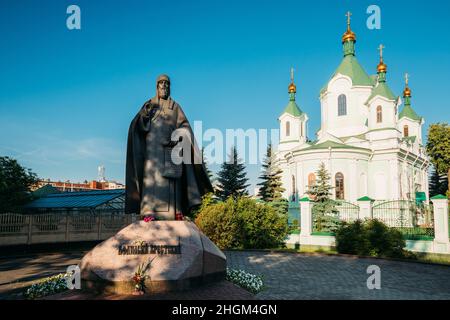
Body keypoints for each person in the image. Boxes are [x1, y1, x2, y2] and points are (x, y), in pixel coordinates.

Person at [125, 74, 212, 220]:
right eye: (161, 83)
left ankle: (175, 212)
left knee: (172, 182)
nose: (164, 86)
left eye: (167, 84)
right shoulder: (149, 105)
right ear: (156, 86)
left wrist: (178, 135)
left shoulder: (175, 107)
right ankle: (148, 213)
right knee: (150, 181)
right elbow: (137, 125)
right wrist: (144, 115)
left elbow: (185, 127)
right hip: (152, 154)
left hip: (170, 152)